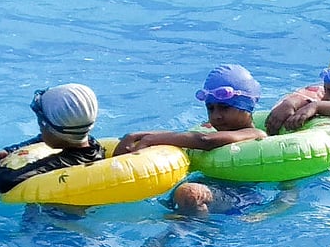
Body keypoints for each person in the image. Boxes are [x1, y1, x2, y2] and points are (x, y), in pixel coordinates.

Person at [113, 64, 267, 215]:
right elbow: (184, 135)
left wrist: (149, 140)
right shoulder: (212, 129)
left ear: (246, 106)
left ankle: (202, 235)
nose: (216, 116)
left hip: (243, 197)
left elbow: (206, 141)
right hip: (210, 189)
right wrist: (135, 136)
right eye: (210, 109)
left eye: (224, 108)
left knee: (189, 194)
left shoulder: (254, 134)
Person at [0, 84, 104, 195]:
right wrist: (4, 153)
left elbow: (6, 182)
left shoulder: (62, 163)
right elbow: (40, 140)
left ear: (46, 125)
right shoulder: (91, 144)